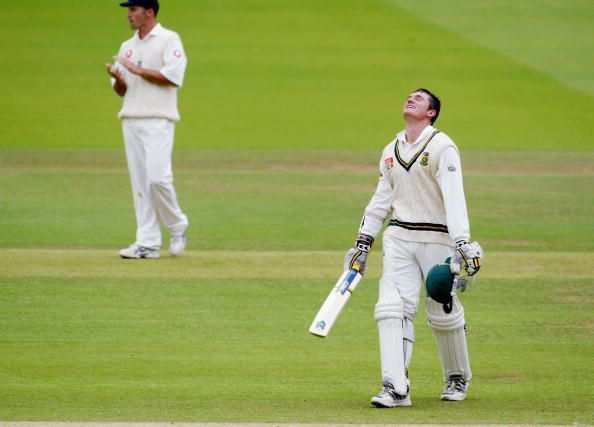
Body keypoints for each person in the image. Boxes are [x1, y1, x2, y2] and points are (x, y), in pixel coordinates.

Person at [344, 88, 483, 407]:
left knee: (442, 310)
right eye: (409, 96)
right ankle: (395, 387)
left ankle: (456, 377)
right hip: (399, 236)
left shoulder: (442, 147)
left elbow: (454, 194)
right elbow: (381, 198)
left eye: (419, 99)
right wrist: (363, 241)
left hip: (438, 238)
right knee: (391, 309)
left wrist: (461, 240)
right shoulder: (391, 150)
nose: (410, 99)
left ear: (431, 112)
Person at [105, 0, 189, 259]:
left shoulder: (169, 39)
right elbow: (121, 90)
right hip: (131, 118)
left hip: (158, 118)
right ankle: (148, 242)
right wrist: (120, 79)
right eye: (128, 11)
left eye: (133, 10)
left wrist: (137, 70)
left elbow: (174, 77)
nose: (129, 15)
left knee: (157, 178)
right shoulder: (127, 47)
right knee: (141, 184)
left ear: (149, 12)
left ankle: (177, 225)